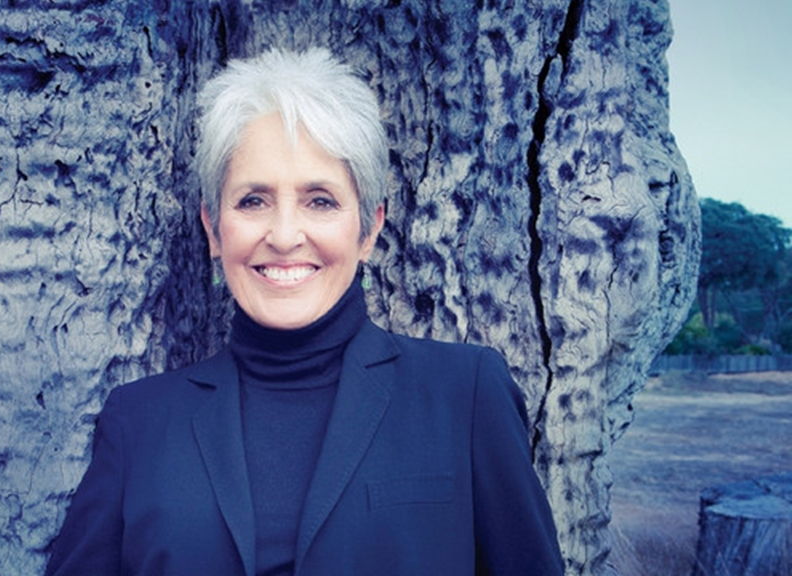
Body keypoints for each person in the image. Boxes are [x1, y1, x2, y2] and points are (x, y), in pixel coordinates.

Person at [45, 47, 563, 576]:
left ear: (369, 229)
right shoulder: (137, 424)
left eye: (320, 200)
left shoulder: (465, 395)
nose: (285, 235)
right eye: (253, 200)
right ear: (213, 229)